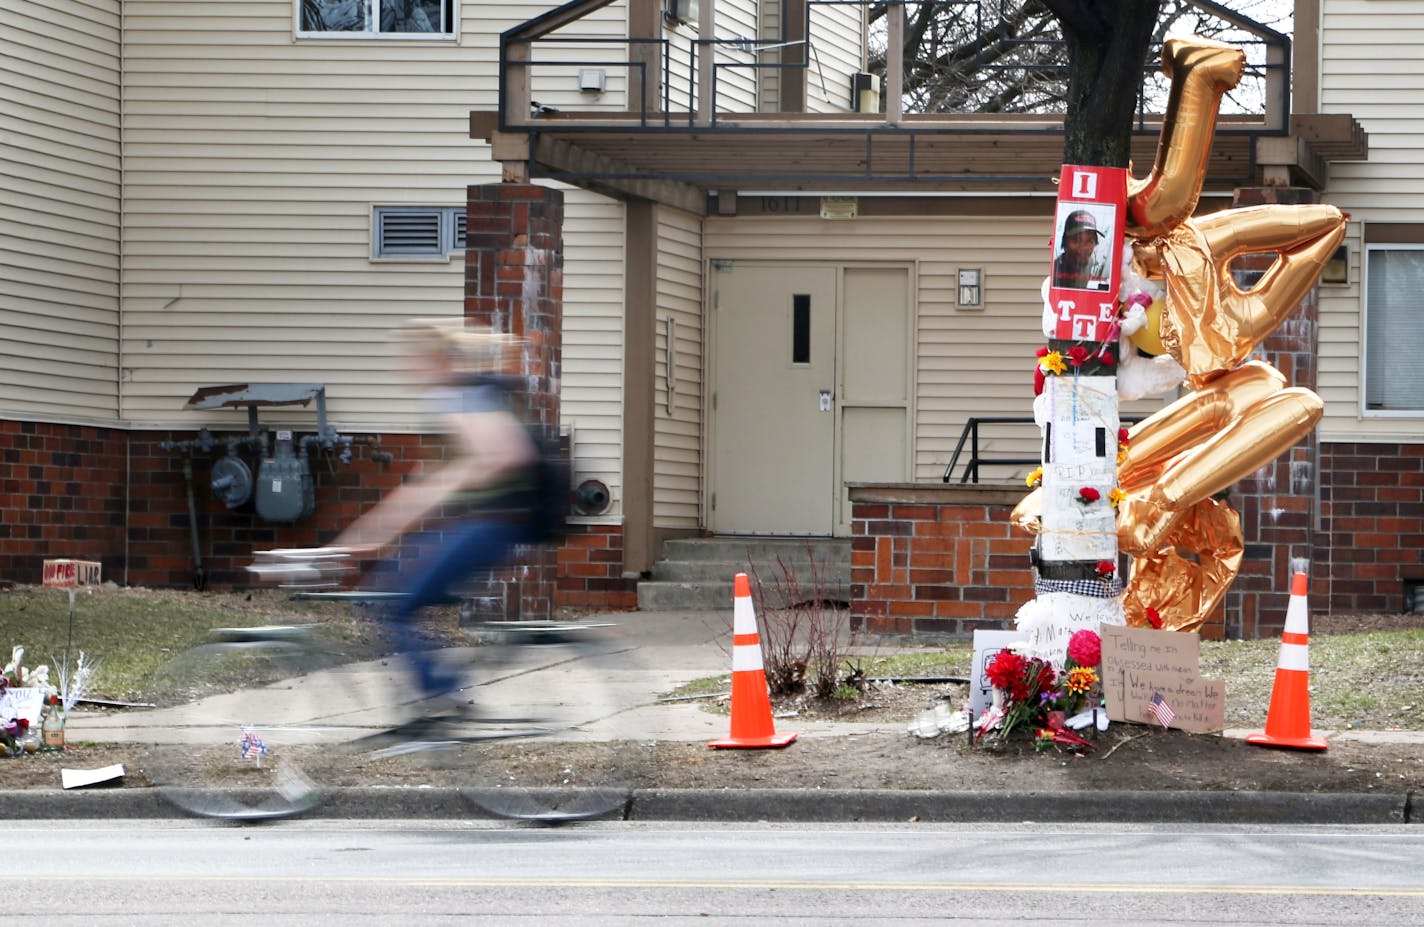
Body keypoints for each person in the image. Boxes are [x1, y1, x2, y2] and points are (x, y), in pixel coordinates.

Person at [329, 319, 543, 721]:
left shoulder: (456, 398)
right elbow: (416, 492)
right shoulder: (464, 397)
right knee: (389, 588)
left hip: (493, 525)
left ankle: (442, 697)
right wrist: (362, 537)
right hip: (485, 523)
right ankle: (441, 693)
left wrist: (457, 476)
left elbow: (509, 454)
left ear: (436, 360)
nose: (406, 370)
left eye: (411, 360)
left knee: (392, 603)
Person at [1053, 209, 1108, 290]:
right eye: (1076, 240)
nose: (1083, 248)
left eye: (1089, 241)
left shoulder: (1090, 262)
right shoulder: (1056, 271)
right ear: (1065, 241)